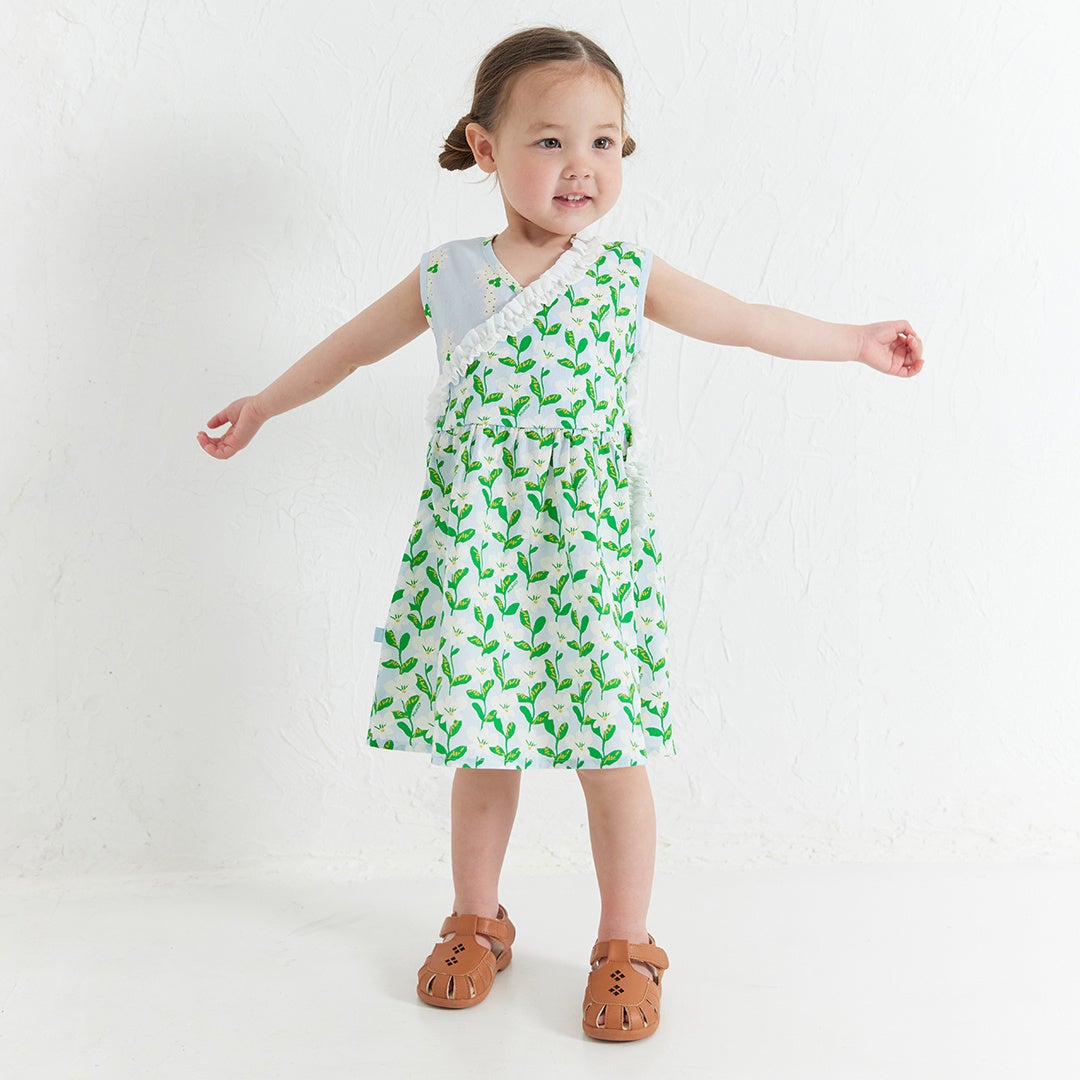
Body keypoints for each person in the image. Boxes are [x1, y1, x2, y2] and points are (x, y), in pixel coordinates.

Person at [197, 25, 925, 1043]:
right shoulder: (448, 275)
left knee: (610, 751)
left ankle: (627, 942)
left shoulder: (625, 273)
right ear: (485, 149)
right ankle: (475, 920)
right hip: (482, 554)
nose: (580, 165)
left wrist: (853, 340)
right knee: (482, 742)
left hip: (589, 559)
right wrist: (265, 404)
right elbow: (350, 350)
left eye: (604, 143)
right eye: (549, 141)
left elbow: (745, 319)